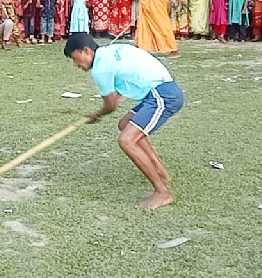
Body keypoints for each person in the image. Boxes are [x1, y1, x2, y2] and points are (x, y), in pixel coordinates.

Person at [64, 33, 183, 210]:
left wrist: (96, 115)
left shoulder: (100, 67)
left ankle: (162, 192)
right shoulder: (112, 51)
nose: (77, 65)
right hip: (159, 91)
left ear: (86, 51)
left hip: (163, 95)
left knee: (126, 140)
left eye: (76, 59)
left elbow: (110, 105)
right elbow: (125, 86)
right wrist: (100, 111)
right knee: (125, 124)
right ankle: (160, 171)